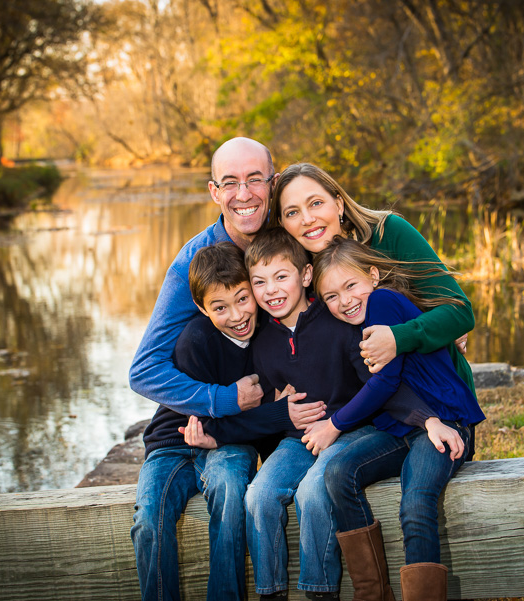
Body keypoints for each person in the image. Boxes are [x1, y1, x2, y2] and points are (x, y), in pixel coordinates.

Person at [183, 228, 434, 601]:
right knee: (259, 495)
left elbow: (382, 383)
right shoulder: (263, 339)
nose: (270, 290)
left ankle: (320, 592)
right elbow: (265, 404)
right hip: (298, 439)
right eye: (259, 282)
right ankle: (271, 592)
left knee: (314, 491)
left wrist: (425, 417)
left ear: (304, 276)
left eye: (281, 277)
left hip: (352, 429)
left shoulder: (339, 322)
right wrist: (226, 430)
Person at [129, 137, 285, 601]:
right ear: (214, 191)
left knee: (232, 491)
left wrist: (421, 312)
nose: (244, 193)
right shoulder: (192, 266)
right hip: (184, 430)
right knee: (149, 517)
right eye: (231, 183)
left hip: (238, 435)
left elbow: (353, 262)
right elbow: (144, 371)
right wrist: (223, 400)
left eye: (255, 179)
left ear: (272, 184)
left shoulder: (291, 240)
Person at [132, 242, 326, 601]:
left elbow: (251, 428)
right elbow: (206, 422)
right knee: (148, 518)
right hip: (173, 444)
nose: (237, 316)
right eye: (220, 307)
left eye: (242, 299)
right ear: (201, 308)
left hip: (230, 442)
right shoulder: (195, 341)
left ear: (253, 290)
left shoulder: (268, 337)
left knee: (231, 493)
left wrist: (268, 419)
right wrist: (274, 411)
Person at [304, 237, 486, 601]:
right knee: (339, 473)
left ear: (373, 275)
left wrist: (334, 424)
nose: (345, 300)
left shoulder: (383, 301)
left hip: (446, 424)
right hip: (407, 425)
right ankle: (373, 593)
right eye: (332, 296)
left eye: (351, 285)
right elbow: (390, 387)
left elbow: (385, 380)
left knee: (416, 500)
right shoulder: (357, 320)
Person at [268, 162, 476, 453]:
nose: (307, 219)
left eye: (316, 203)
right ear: (282, 223)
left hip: (437, 399)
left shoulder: (387, 232)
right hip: (368, 409)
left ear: (338, 203)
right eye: (292, 213)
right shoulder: (296, 270)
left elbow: (458, 312)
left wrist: (401, 336)